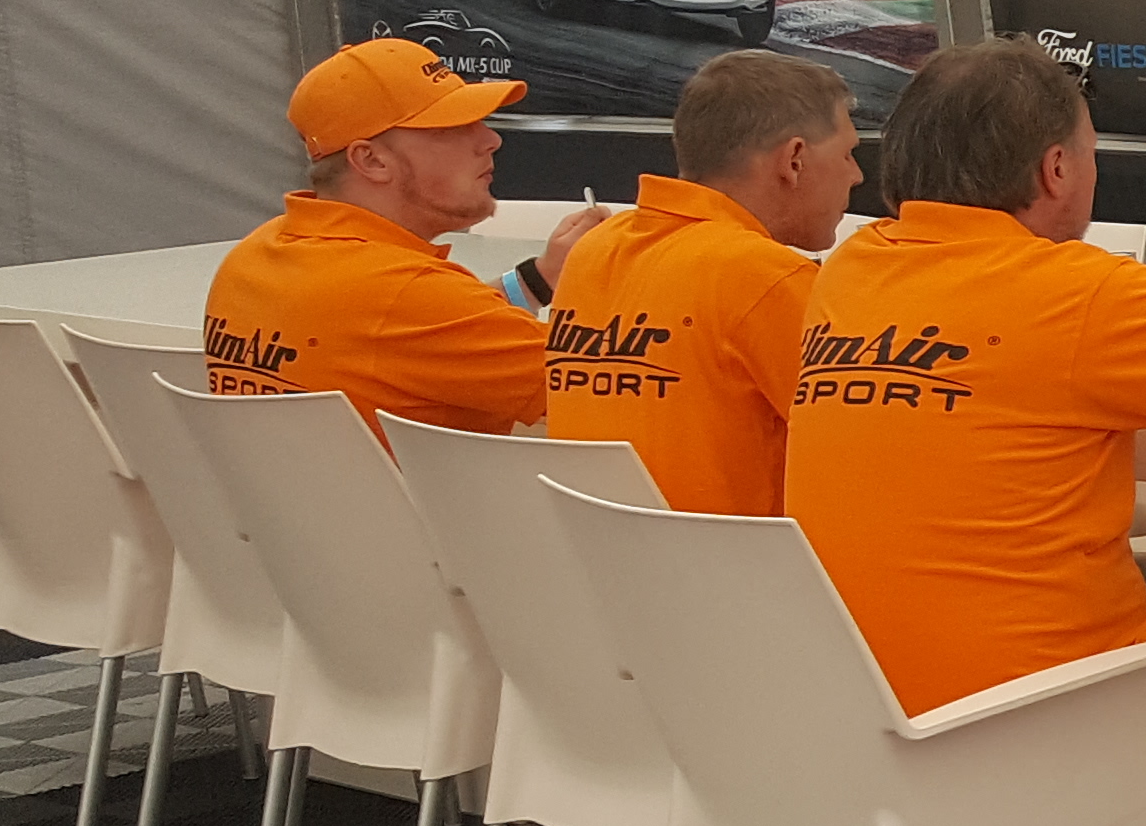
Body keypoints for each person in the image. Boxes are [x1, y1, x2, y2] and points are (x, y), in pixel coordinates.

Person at [787, 39, 1146, 719]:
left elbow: (1021, 359)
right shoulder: (1084, 291)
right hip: (1058, 718)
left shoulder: (852, 268)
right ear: (1057, 169)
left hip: (871, 719)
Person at [204, 35, 607, 435]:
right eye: (453, 127)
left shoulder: (252, 258)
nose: (490, 139)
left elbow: (427, 335)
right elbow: (628, 387)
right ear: (372, 160)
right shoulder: (409, 295)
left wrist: (539, 278)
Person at [544, 48, 861, 516]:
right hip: (745, 560)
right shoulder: (765, 276)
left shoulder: (592, 250)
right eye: (849, 154)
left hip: (603, 555)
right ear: (794, 160)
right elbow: (869, 447)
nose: (857, 175)